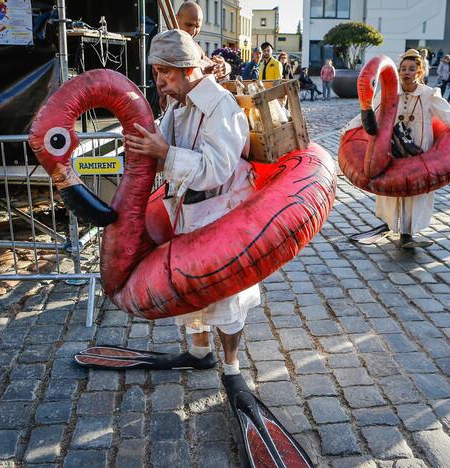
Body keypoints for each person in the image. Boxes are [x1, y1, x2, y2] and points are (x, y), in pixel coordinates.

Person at [120, 29, 310, 465]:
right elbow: (159, 145)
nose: (158, 81)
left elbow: (216, 168)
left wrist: (164, 152)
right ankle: (199, 353)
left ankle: (231, 369)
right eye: (155, 72)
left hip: (221, 215)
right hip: (187, 212)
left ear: (187, 70)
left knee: (226, 299)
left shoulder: (221, 106)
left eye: (163, 73)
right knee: (193, 295)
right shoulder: (177, 104)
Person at [341, 49, 450, 248]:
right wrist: (346, 129)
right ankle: (389, 223)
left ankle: (408, 233)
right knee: (393, 185)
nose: (406, 72)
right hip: (394, 145)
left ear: (419, 72)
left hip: (419, 149)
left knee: (414, 191)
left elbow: (449, 116)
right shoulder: (389, 94)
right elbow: (370, 113)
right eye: (403, 69)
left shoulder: (429, 94)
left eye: (412, 69)